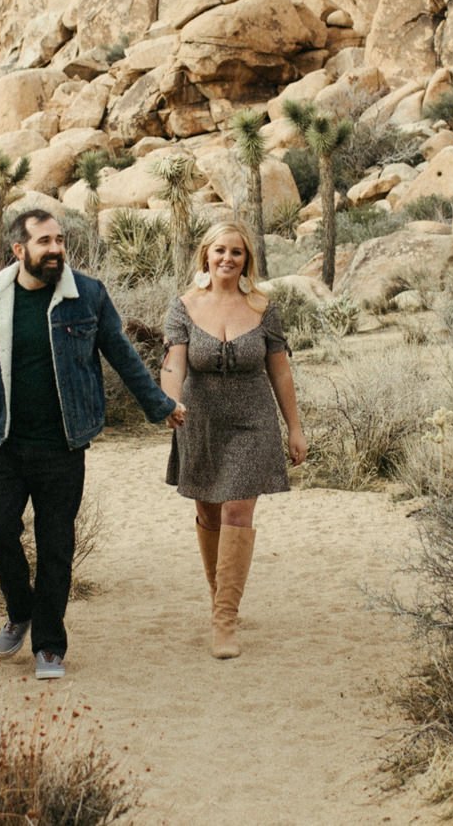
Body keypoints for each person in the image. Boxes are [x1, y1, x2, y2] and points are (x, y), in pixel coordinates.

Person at [0, 207, 185, 680]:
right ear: (19, 250)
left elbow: (121, 354)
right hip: (4, 441)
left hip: (63, 445)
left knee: (56, 543)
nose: (56, 249)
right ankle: (21, 610)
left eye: (59, 240)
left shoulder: (88, 296)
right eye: (44, 242)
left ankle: (49, 646)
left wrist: (159, 405)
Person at [161, 221, 306, 658]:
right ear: (206, 254)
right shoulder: (183, 307)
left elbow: (280, 371)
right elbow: (174, 364)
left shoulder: (264, 308)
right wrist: (170, 403)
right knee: (208, 511)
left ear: (247, 260)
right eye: (220, 250)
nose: (227, 259)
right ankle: (218, 596)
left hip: (251, 419)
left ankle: (225, 621)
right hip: (199, 420)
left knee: (237, 510)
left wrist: (294, 428)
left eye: (237, 253)